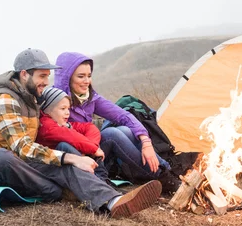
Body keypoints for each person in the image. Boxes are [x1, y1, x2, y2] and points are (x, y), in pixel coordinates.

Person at [0, 48, 161, 218]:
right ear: (24, 74)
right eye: (42, 76)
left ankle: (113, 201)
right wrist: (71, 159)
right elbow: (22, 147)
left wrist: (68, 154)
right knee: (1, 157)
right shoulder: (4, 99)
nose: (46, 82)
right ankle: (70, 190)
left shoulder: (31, 98)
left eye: (47, 76)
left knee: (58, 172)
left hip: (19, 164)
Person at [53, 52, 180, 193]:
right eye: (81, 76)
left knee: (125, 129)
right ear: (67, 78)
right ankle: (164, 178)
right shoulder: (55, 102)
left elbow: (123, 115)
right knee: (111, 134)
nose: (87, 81)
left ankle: (166, 168)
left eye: (89, 76)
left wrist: (146, 142)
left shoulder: (90, 98)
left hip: (94, 151)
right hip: (75, 158)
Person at [36, 86, 109, 181]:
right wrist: (93, 149)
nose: (67, 113)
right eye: (62, 109)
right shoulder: (46, 125)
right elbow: (69, 136)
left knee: (92, 143)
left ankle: (102, 177)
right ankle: (99, 179)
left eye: (68, 109)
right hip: (54, 167)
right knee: (65, 145)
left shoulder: (65, 124)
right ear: (47, 109)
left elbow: (90, 127)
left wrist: (92, 147)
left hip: (75, 164)